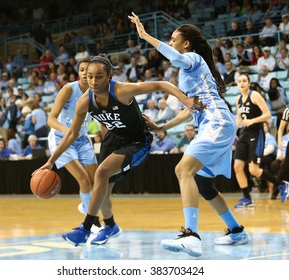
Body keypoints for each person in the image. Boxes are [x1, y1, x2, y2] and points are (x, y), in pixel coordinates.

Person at [36, 55, 195, 247]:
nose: (93, 81)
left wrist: (187, 101)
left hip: (137, 141)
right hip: (113, 139)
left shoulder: (122, 90)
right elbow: (71, 135)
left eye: (99, 76)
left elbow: (161, 84)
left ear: (109, 76)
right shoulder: (84, 102)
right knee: (101, 188)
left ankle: (85, 229)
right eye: (90, 76)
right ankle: (110, 226)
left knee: (101, 172)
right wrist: (51, 161)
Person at [129, 13, 249, 258]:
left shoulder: (192, 58)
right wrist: (162, 127)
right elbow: (190, 109)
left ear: (186, 44)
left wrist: (145, 36)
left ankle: (191, 235)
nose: (171, 43)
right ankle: (237, 231)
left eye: (174, 40)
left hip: (217, 122)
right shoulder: (191, 73)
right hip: (212, 123)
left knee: (183, 170)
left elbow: (173, 57)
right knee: (204, 184)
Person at [47, 59, 98, 216]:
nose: (84, 73)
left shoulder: (97, 92)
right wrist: (68, 131)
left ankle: (85, 207)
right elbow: (51, 119)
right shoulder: (69, 89)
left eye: (88, 71)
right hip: (61, 139)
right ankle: (92, 221)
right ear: (78, 73)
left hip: (82, 140)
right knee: (83, 179)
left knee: (96, 182)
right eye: (82, 70)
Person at [234, 73, 288, 207]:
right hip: (244, 134)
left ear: (249, 83)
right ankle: (247, 198)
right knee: (237, 167)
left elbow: (268, 114)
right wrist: (232, 129)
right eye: (239, 81)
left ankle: (281, 184)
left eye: (244, 81)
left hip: (256, 133)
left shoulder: (255, 95)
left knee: (253, 170)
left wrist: (252, 120)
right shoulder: (238, 99)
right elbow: (239, 117)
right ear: (237, 84)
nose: (242, 83)